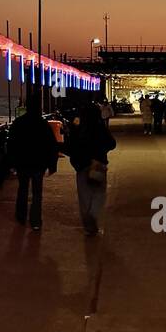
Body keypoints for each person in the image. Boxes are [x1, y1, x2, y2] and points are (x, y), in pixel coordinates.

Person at [6, 90, 59, 231]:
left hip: (22, 162)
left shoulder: (18, 123)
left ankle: (21, 215)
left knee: (22, 189)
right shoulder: (43, 124)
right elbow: (52, 146)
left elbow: (11, 144)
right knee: (37, 192)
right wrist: (52, 164)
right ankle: (35, 220)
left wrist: (11, 163)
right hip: (38, 163)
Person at [65, 99, 116, 236]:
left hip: (81, 165)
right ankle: (93, 214)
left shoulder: (78, 128)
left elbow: (70, 146)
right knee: (99, 193)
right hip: (98, 164)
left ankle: (88, 222)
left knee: (84, 195)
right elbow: (112, 144)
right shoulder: (100, 127)